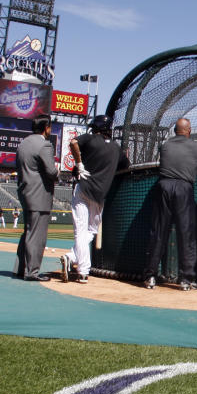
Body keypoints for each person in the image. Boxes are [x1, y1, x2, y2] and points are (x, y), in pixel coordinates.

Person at [61, 115, 130, 284]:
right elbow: (125, 165)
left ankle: (78, 265)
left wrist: (79, 164)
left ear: (97, 127)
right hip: (100, 195)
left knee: (81, 231)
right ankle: (76, 262)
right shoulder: (115, 148)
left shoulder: (91, 138)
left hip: (83, 189)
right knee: (91, 231)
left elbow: (73, 143)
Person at [142, 117, 197, 290]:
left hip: (163, 186)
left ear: (175, 131)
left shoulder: (165, 145)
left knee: (158, 232)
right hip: (184, 188)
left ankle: (150, 276)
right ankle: (186, 279)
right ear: (189, 131)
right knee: (186, 233)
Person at [15, 114, 58, 282]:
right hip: (39, 195)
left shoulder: (23, 143)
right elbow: (51, 172)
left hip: (25, 191)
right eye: (50, 127)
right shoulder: (44, 145)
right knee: (37, 235)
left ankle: (20, 269)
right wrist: (58, 173)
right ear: (46, 128)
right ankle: (32, 272)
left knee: (28, 231)